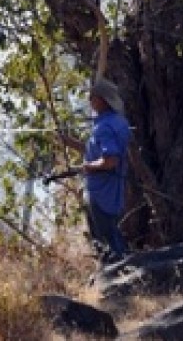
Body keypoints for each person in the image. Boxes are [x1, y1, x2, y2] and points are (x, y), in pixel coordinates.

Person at [59, 78, 132, 264]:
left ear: (101, 100)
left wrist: (87, 167)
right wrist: (69, 142)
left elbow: (110, 160)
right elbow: (97, 151)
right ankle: (120, 268)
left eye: (92, 97)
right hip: (114, 187)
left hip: (101, 189)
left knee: (105, 236)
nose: (90, 100)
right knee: (111, 231)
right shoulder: (118, 122)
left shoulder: (103, 128)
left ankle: (117, 273)